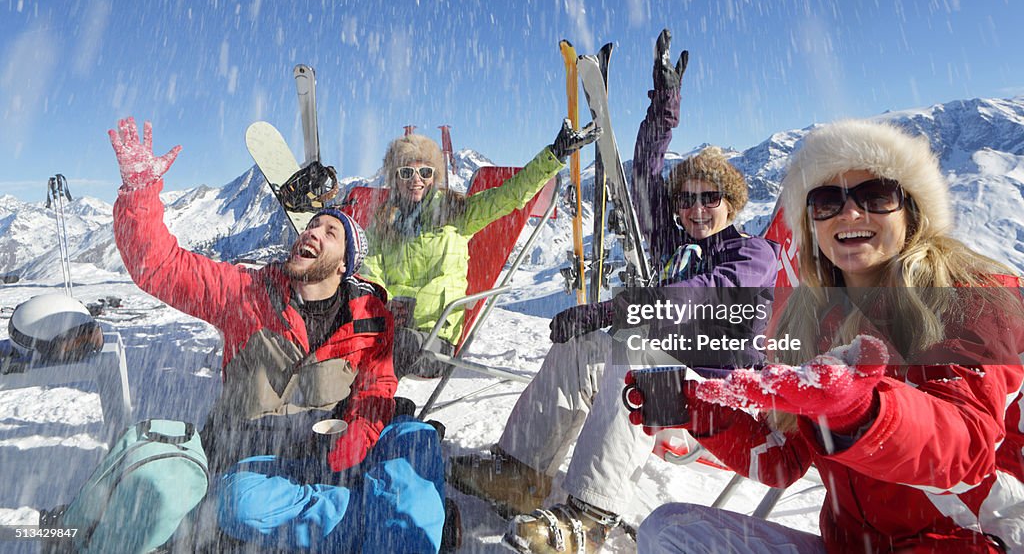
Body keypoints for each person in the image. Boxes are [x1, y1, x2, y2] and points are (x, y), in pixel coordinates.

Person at [449, 30, 780, 554]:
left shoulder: (753, 256)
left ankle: (593, 511)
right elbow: (645, 172)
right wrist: (664, 107)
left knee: (637, 351)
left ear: (732, 202)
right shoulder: (674, 239)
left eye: (710, 198)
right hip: (661, 378)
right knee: (582, 350)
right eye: (688, 199)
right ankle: (520, 469)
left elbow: (695, 296)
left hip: (719, 392)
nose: (696, 208)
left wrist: (612, 307)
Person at [635, 119, 1024, 554]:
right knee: (670, 529)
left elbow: (965, 451)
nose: (850, 213)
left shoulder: (970, 296)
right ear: (813, 225)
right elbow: (784, 461)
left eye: (876, 196)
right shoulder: (816, 319)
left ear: (912, 210)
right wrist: (698, 408)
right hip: (850, 545)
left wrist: (862, 410)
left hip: (969, 543)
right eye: (826, 201)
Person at [108, 117, 446, 553]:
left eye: (330, 231)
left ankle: (369, 525)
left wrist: (360, 431)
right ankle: (378, 526)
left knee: (416, 441)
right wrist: (138, 191)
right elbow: (160, 266)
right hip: (261, 461)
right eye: (311, 226)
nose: (312, 232)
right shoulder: (245, 295)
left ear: (346, 264)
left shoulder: (369, 317)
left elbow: (376, 386)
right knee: (238, 505)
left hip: (333, 453)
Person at [360, 120, 598, 378]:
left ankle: (373, 409)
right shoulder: (385, 222)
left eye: (425, 173)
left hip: (434, 335)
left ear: (434, 177)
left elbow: (510, 195)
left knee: (391, 349)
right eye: (407, 172)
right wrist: (386, 304)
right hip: (388, 328)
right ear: (396, 178)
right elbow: (369, 272)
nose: (416, 180)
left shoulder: (456, 213)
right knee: (352, 342)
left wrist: (554, 154)